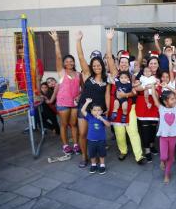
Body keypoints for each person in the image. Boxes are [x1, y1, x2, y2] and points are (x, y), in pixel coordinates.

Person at [105, 29, 147, 165]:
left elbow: (134, 91)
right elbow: (109, 58)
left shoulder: (132, 75)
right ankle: (123, 150)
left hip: (131, 106)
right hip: (117, 106)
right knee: (119, 132)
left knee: (133, 131)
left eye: (125, 62)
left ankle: (139, 156)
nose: (123, 64)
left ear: (128, 63)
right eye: (121, 61)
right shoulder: (115, 73)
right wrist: (109, 40)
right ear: (118, 63)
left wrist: (126, 94)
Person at [75, 31, 110, 168]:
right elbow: (80, 56)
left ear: (102, 65)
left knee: (96, 133)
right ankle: (84, 157)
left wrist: (106, 110)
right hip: (84, 108)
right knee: (83, 133)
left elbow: (107, 95)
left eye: (98, 65)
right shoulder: (87, 74)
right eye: (94, 65)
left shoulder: (106, 79)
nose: (96, 67)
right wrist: (78, 41)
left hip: (98, 111)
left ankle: (97, 156)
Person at [49, 31, 80, 155]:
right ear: (63, 63)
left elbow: (81, 89)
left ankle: (76, 144)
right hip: (63, 103)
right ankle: (66, 145)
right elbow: (58, 57)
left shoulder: (78, 74)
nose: (69, 63)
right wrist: (56, 42)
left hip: (74, 103)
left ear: (74, 62)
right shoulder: (62, 73)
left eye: (71, 61)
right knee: (64, 124)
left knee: (73, 124)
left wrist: (79, 95)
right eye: (66, 61)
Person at [135, 50, 162, 162]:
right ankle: (146, 149)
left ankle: (151, 145)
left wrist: (153, 86)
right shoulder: (141, 74)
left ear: (158, 65)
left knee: (153, 127)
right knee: (145, 128)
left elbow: (160, 89)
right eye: (151, 63)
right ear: (148, 65)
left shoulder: (160, 76)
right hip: (143, 104)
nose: (153, 65)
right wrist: (148, 86)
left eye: (155, 63)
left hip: (155, 104)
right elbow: (136, 88)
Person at [151, 84, 176, 184]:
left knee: (171, 157)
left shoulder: (175, 107)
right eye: (171, 99)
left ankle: (167, 175)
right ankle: (162, 161)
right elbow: (155, 97)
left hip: (173, 136)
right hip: (163, 137)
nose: (174, 100)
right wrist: (152, 86)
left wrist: (167, 86)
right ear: (165, 101)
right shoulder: (161, 108)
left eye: (174, 99)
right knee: (164, 156)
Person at [80, 98, 111, 175]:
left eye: (99, 110)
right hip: (91, 140)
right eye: (94, 110)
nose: (96, 112)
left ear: (102, 111)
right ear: (91, 111)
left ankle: (102, 165)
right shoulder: (90, 117)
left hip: (101, 140)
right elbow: (82, 111)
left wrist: (102, 119)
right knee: (92, 154)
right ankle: (93, 164)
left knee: (102, 153)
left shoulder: (103, 118)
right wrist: (87, 102)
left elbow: (108, 125)